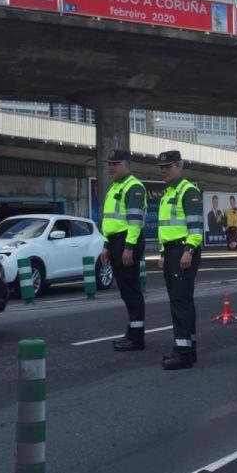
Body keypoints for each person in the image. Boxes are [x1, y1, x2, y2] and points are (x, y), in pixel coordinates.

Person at [155, 151, 204, 370]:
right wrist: (163, 252)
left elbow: (195, 227)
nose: (164, 170)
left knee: (179, 302)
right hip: (172, 252)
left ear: (180, 166)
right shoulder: (168, 193)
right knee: (182, 300)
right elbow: (167, 229)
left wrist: (189, 250)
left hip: (183, 251)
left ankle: (182, 352)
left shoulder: (188, 191)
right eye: (161, 167)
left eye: (168, 166)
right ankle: (189, 348)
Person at [99, 150, 148, 352]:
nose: (111, 167)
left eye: (115, 163)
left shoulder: (133, 186)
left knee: (131, 290)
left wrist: (128, 248)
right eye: (110, 163)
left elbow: (135, 222)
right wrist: (105, 245)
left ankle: (137, 337)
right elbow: (109, 221)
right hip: (115, 242)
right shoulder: (114, 187)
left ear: (126, 164)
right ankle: (132, 331)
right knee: (125, 291)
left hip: (128, 242)